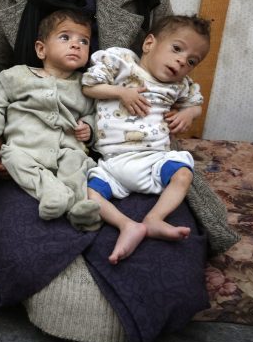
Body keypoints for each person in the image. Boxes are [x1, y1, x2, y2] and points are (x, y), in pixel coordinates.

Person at [0, 0, 227, 342]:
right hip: (42, 145)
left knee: (169, 255)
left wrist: (180, 112)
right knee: (24, 248)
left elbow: (166, 66)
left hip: (124, 147)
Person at [82, 15, 211, 265]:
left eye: (191, 61)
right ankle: (127, 225)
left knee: (184, 173)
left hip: (154, 160)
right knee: (87, 192)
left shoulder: (179, 86)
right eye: (177, 48)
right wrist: (122, 92)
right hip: (113, 163)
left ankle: (154, 219)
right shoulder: (122, 64)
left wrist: (188, 113)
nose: (182, 61)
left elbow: (196, 105)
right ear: (149, 43)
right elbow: (88, 86)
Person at [0, 9, 99, 223]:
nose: (76, 45)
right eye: (65, 37)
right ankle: (51, 192)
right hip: (25, 147)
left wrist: (89, 127)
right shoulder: (15, 76)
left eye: (84, 41)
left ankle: (79, 206)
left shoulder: (86, 86)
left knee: (77, 164)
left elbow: (96, 114)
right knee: (12, 158)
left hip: (66, 148)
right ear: (41, 49)